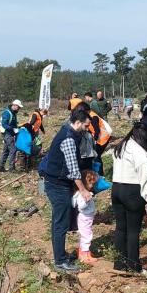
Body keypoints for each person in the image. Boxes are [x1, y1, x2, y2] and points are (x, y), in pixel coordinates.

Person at [41, 107, 92, 273]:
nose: (87, 129)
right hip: (57, 184)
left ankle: (60, 255)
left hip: (56, 181)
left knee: (59, 220)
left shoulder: (67, 131)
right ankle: (60, 262)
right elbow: (73, 169)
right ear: (77, 123)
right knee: (60, 222)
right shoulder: (69, 139)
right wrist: (83, 190)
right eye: (85, 126)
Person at [110, 122, 147, 273]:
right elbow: (145, 180)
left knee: (120, 228)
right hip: (132, 191)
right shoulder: (141, 154)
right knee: (133, 231)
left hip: (116, 189)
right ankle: (133, 266)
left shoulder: (121, 147)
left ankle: (119, 264)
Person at [73, 170, 99, 264]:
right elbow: (81, 206)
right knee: (87, 235)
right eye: (90, 183)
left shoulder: (84, 193)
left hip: (86, 218)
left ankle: (82, 252)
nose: (92, 186)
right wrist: (87, 200)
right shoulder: (82, 194)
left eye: (93, 183)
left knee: (85, 234)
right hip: (85, 218)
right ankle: (85, 254)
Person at [0, 100, 22, 173]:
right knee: (13, 150)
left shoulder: (13, 113)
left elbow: (13, 124)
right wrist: (13, 129)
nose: (19, 109)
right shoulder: (7, 113)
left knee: (6, 150)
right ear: (14, 105)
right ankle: (11, 168)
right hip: (7, 133)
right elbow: (4, 124)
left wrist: (17, 128)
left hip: (10, 133)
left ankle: (0, 167)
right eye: (18, 107)